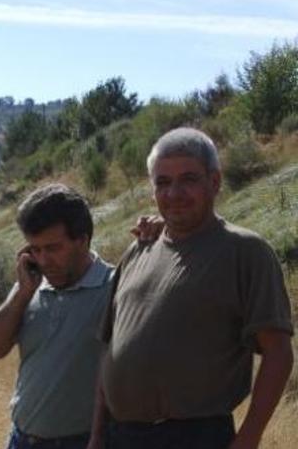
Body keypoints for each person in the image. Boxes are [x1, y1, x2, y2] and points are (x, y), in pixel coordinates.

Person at [90, 127, 294, 449]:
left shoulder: (245, 252)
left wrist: (248, 439)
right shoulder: (138, 250)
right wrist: (98, 436)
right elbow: (109, 348)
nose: (174, 193)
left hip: (196, 437)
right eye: (163, 183)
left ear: (214, 182)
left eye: (188, 179)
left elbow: (278, 353)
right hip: (121, 436)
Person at [0, 183, 114, 449]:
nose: (43, 259)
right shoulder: (31, 287)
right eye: (35, 249)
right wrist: (22, 294)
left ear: (82, 240)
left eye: (53, 248)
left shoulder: (114, 288)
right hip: (20, 440)